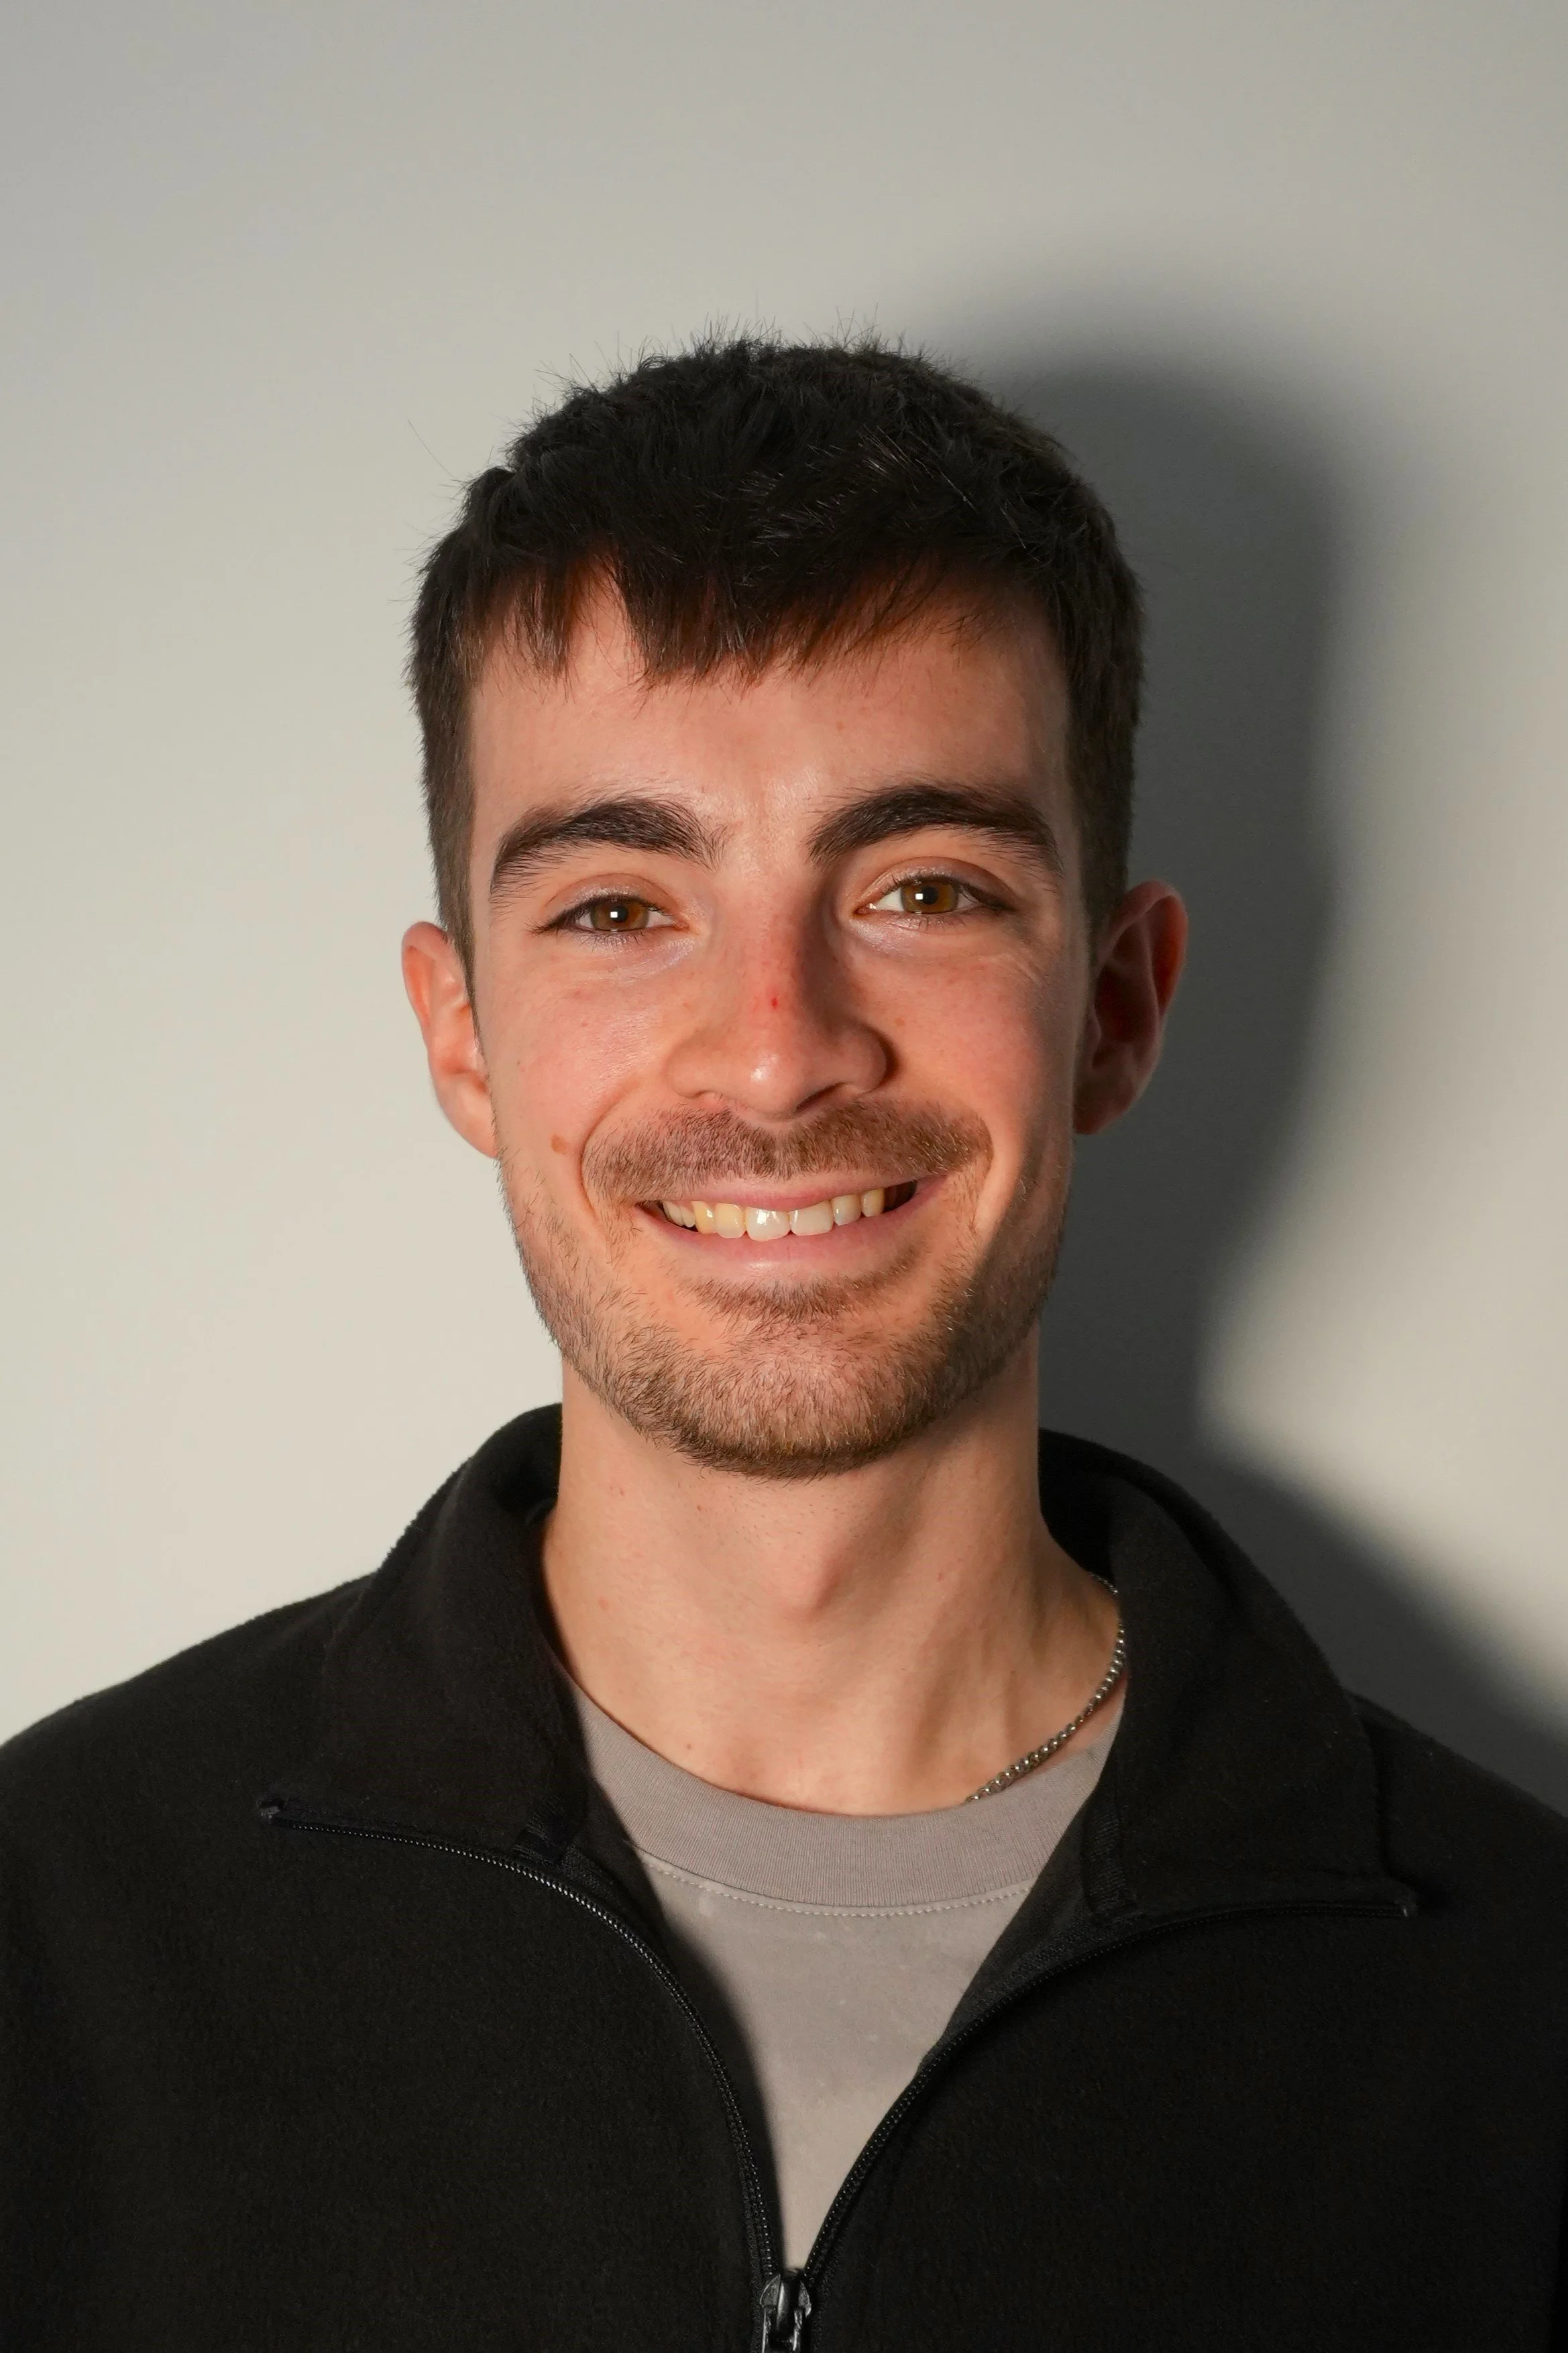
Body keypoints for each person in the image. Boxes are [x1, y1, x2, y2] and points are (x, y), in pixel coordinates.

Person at [3, 337, 1566, 2353]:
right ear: (459, 1028)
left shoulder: (1519, 2016)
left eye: (921, 886)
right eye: (616, 907)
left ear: (1117, 1001)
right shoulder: (54, 1940)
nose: (777, 1048)